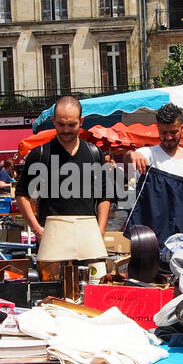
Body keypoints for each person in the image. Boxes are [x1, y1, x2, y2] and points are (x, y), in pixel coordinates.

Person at [17, 95, 116, 262]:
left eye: (71, 124)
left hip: (88, 238)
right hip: (52, 239)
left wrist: (100, 231)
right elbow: (21, 195)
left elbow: (105, 195)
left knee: (90, 286)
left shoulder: (94, 154)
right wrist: (37, 229)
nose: (66, 129)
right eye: (61, 124)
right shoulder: (39, 154)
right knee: (52, 288)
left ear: (81, 121)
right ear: (53, 120)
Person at [130, 103, 183, 182]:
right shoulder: (148, 154)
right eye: (164, 132)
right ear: (158, 128)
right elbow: (130, 187)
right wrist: (132, 154)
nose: (169, 137)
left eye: (173, 132)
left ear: (182, 128)